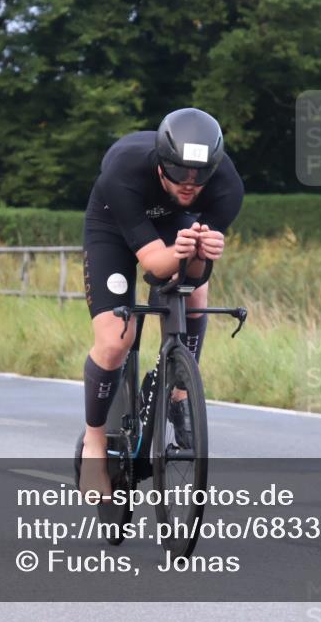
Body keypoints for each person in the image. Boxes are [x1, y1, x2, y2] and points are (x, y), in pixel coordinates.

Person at [80, 108, 243, 496]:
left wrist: (203, 252)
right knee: (116, 339)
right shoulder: (125, 171)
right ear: (161, 166)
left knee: (196, 294)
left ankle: (180, 390)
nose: (189, 185)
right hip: (113, 226)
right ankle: (94, 441)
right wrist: (183, 252)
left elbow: (193, 275)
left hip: (174, 227)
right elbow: (154, 266)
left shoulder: (226, 187)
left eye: (199, 177)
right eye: (179, 174)